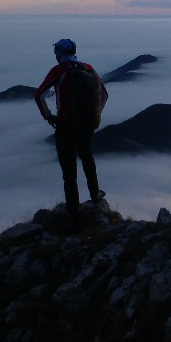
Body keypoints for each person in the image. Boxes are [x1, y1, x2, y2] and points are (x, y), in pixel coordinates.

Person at [34, 38, 108, 230]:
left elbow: (39, 94)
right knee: (87, 156)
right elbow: (104, 94)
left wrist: (49, 116)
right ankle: (95, 194)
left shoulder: (59, 70)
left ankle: (74, 219)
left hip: (65, 125)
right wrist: (94, 114)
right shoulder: (88, 68)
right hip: (87, 125)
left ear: (58, 53)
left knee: (69, 174)